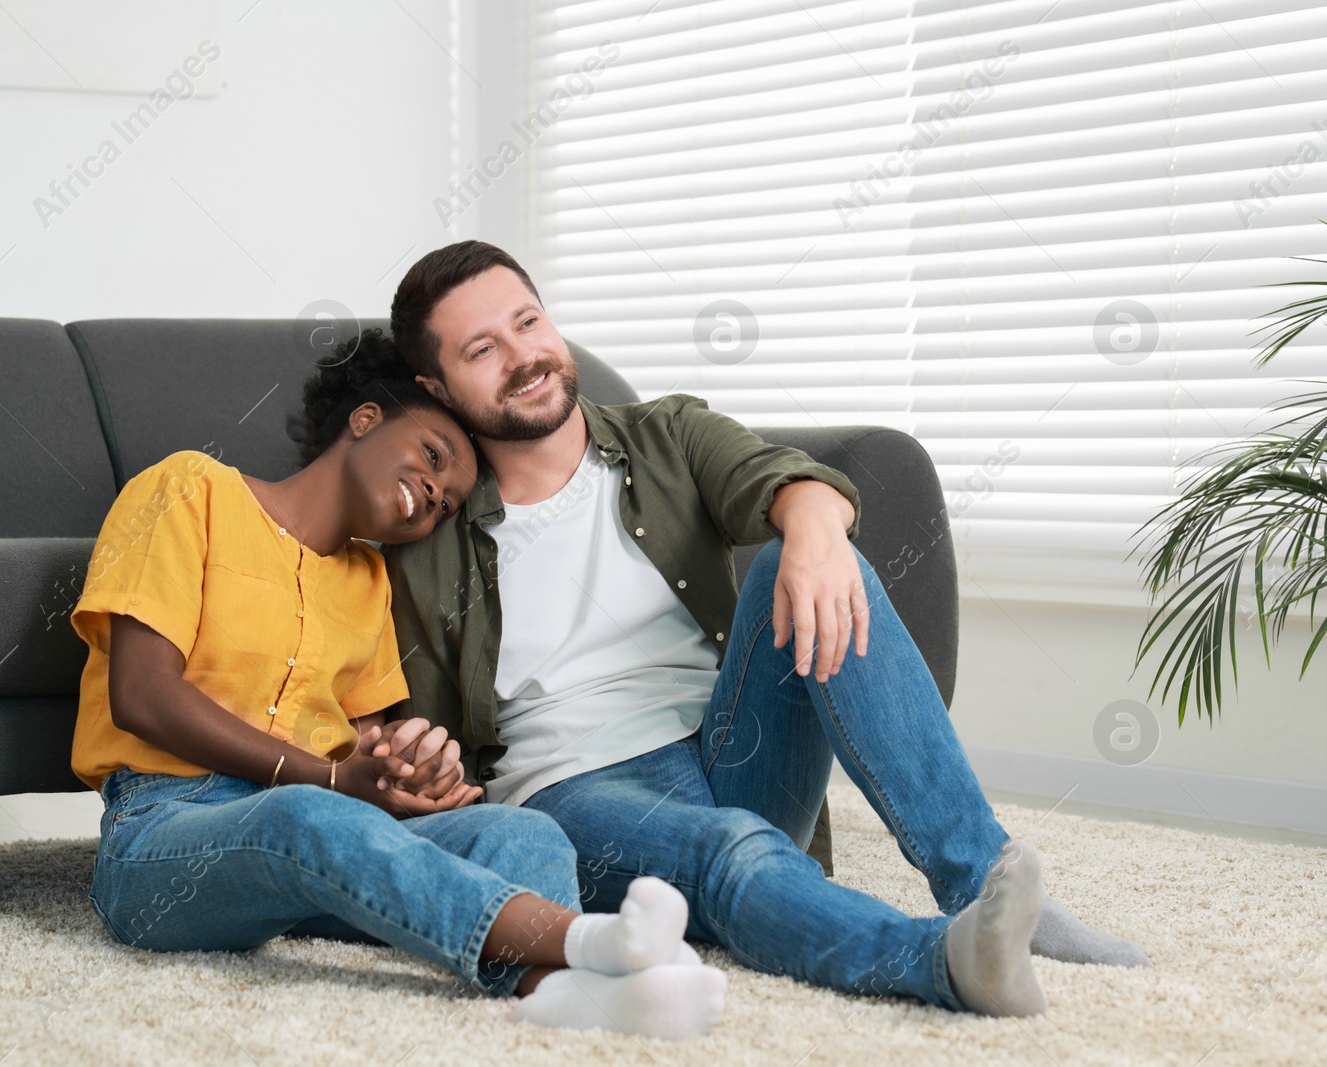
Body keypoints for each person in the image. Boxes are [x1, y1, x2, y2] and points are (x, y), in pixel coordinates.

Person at [381, 242, 1152, 1018]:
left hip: (733, 744)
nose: (525, 357)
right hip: (577, 792)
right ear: (436, 385)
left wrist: (814, 523)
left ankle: (984, 880)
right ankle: (948, 961)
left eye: (528, 322)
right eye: (484, 349)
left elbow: (780, 479)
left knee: (810, 549)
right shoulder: (424, 536)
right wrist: (420, 771)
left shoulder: (665, 434)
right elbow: (404, 730)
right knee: (732, 848)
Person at [65, 328, 729, 1039]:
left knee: (523, 830)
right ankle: (581, 943)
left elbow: (366, 752)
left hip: (317, 851)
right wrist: (326, 779)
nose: (435, 493)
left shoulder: (368, 580)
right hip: (164, 836)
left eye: (447, 502)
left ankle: (556, 989)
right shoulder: (190, 488)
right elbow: (141, 695)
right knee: (305, 816)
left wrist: (411, 771)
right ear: (365, 419)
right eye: (433, 457)